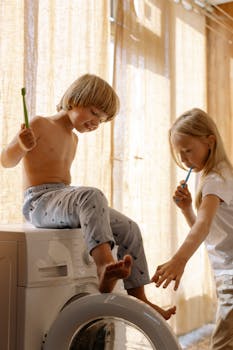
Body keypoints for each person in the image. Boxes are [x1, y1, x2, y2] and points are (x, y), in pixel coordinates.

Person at [0, 73, 176, 320]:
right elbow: (6, 161)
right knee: (91, 195)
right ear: (73, 99)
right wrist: (20, 145)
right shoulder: (40, 124)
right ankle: (103, 265)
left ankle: (140, 298)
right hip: (39, 202)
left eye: (101, 121)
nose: (95, 123)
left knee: (129, 228)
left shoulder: (73, 139)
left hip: (63, 198)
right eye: (94, 113)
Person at [152, 107, 233, 348]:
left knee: (222, 343)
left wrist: (179, 260)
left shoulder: (216, 180)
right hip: (226, 271)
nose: (185, 159)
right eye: (180, 154)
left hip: (231, 272)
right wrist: (187, 208)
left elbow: (203, 226)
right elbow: (206, 231)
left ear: (210, 141)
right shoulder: (210, 175)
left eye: (188, 151)